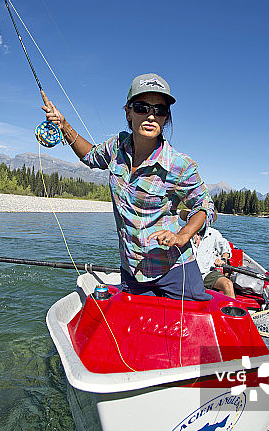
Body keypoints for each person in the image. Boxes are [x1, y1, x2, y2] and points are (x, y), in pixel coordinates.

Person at [40, 73, 214, 300]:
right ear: (128, 112)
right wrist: (63, 125)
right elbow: (91, 156)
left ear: (165, 118)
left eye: (159, 110)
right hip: (132, 271)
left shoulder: (179, 165)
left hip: (175, 271)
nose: (151, 116)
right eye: (142, 107)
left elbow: (204, 206)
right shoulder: (116, 147)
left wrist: (182, 236)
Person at [182, 210, 235, 298]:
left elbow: (226, 250)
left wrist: (223, 260)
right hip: (186, 274)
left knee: (228, 284)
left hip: (207, 273)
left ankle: (232, 310)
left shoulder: (214, 233)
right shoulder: (181, 233)